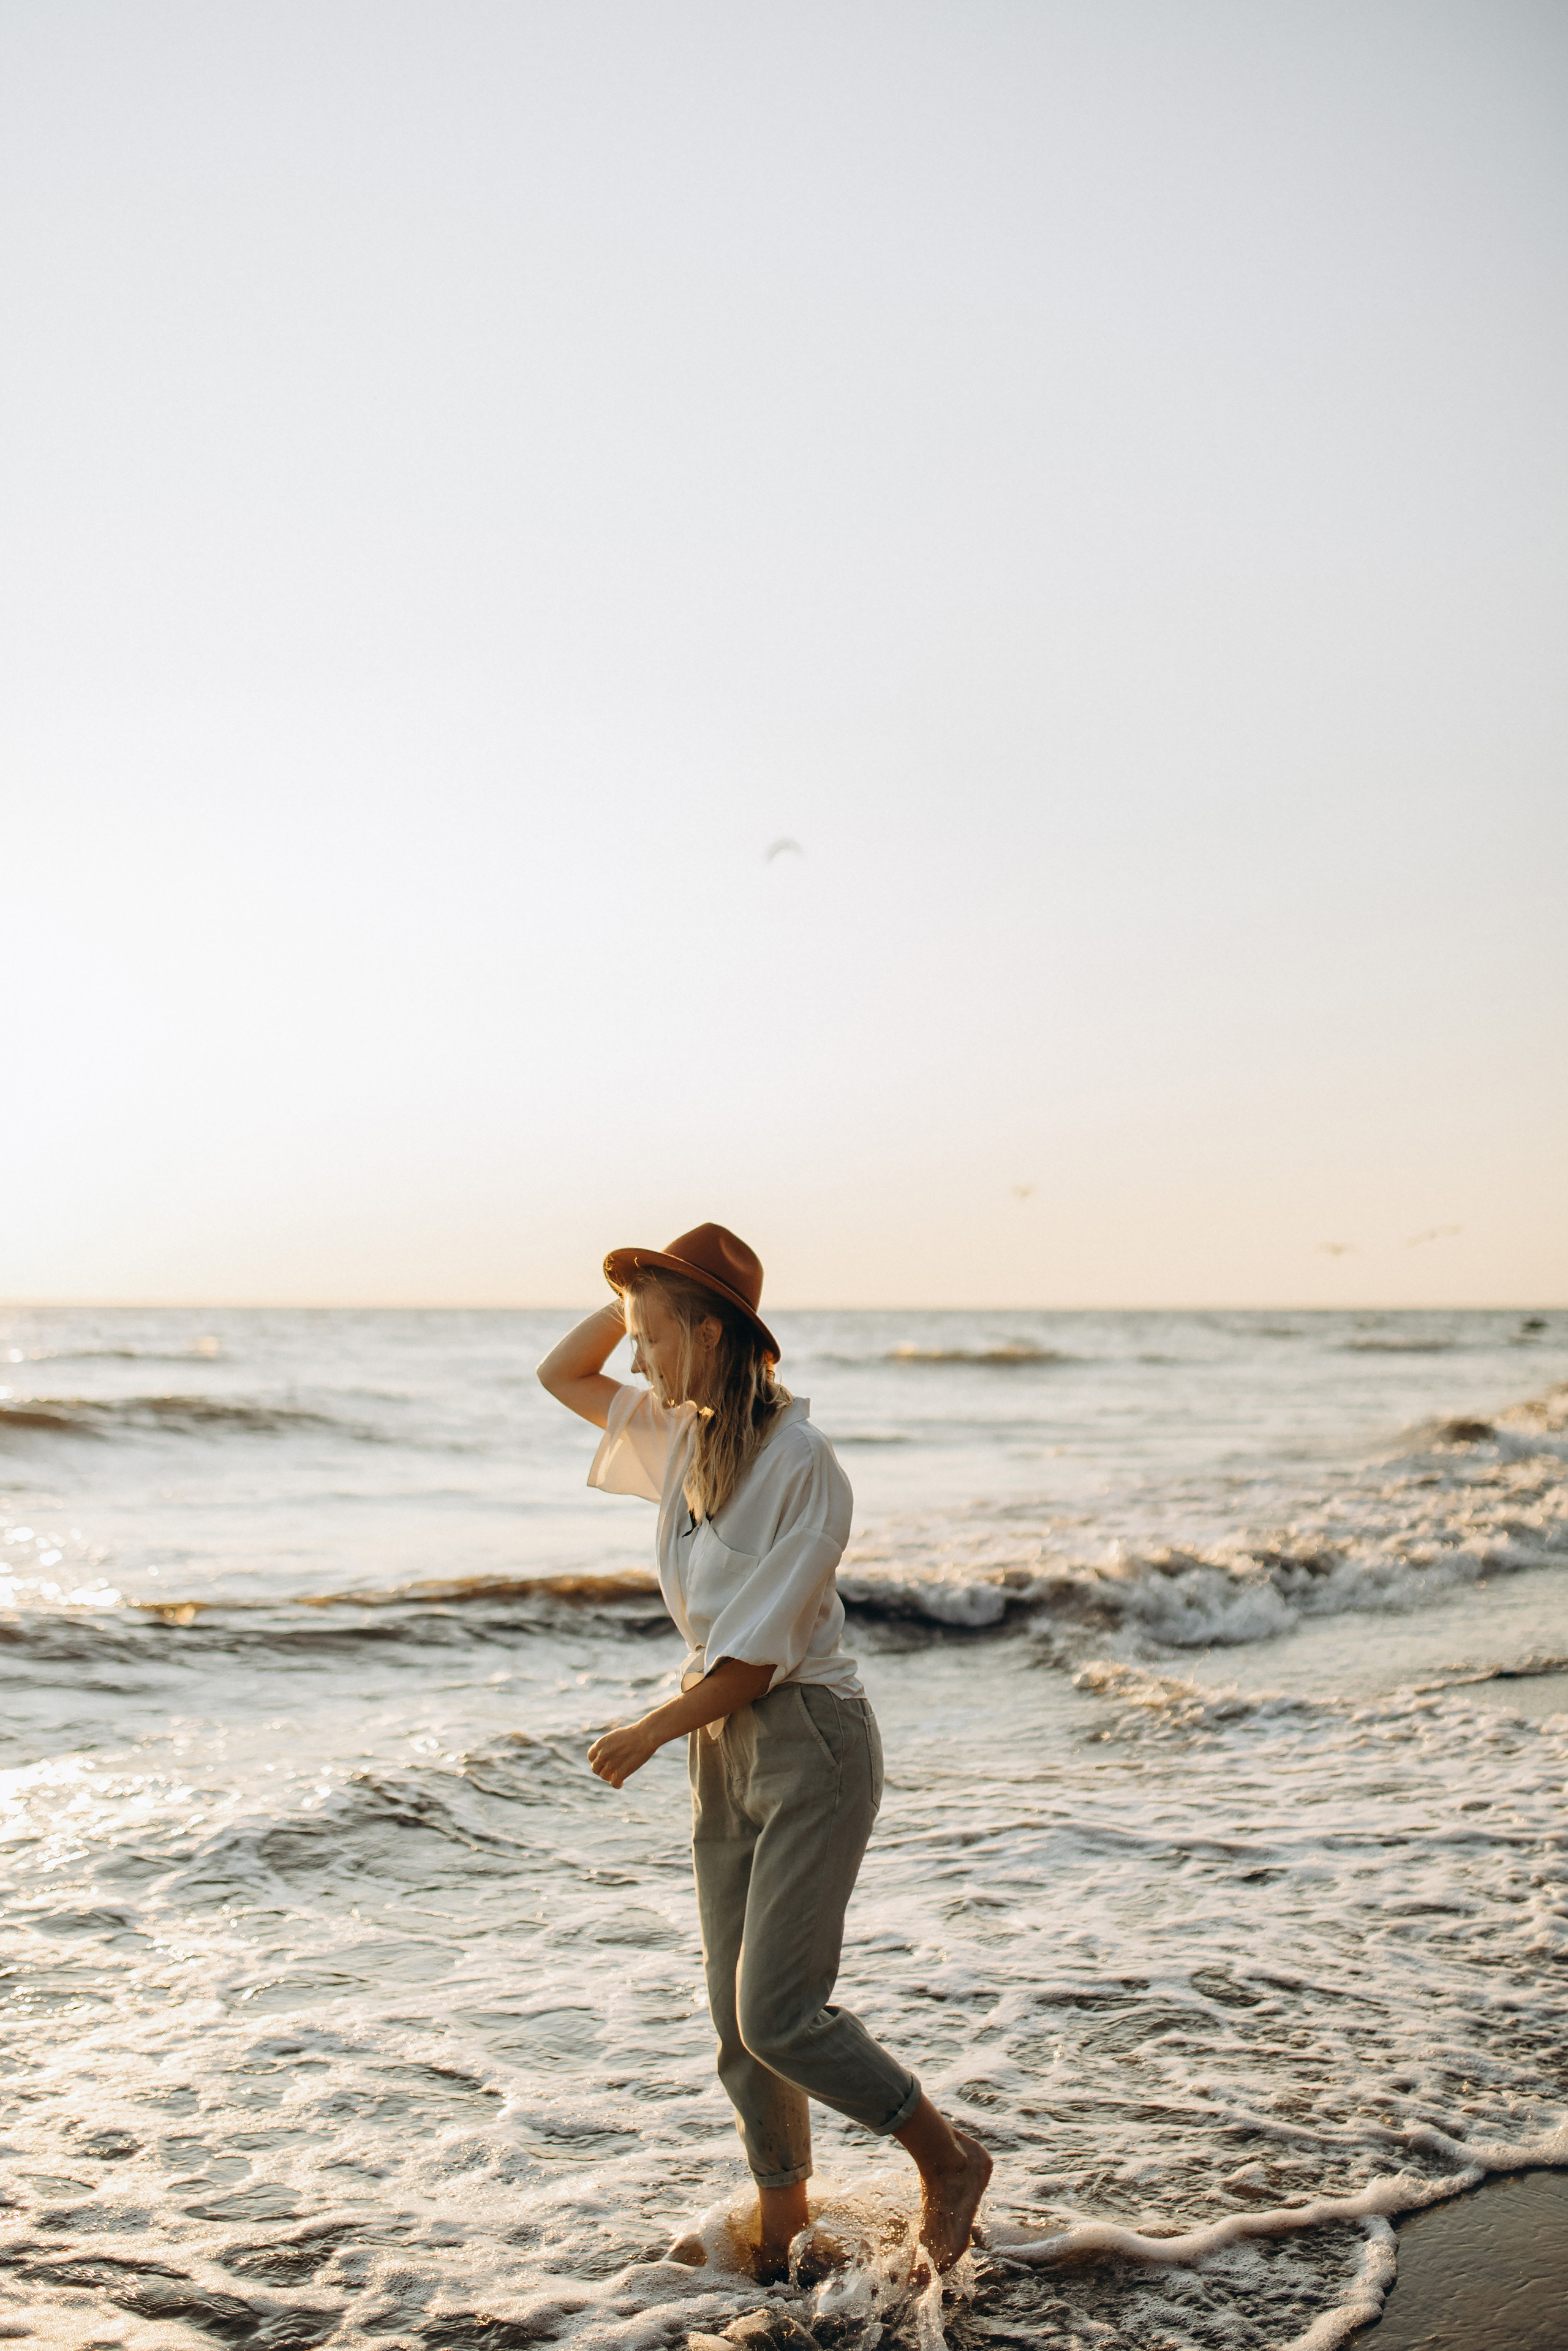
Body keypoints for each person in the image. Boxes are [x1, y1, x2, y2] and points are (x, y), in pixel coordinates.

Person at [537, 1222, 990, 2279]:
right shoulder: (681, 1432)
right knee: (735, 2020)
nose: (636, 1359)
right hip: (720, 1743)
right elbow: (561, 1371)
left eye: (653, 1338)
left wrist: (651, 1727)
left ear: (710, 1333)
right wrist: (636, 1291)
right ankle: (785, 2215)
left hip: (809, 1744)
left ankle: (949, 2157)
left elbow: (756, 1657)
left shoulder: (805, 1464)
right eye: (637, 1340)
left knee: (780, 2012)